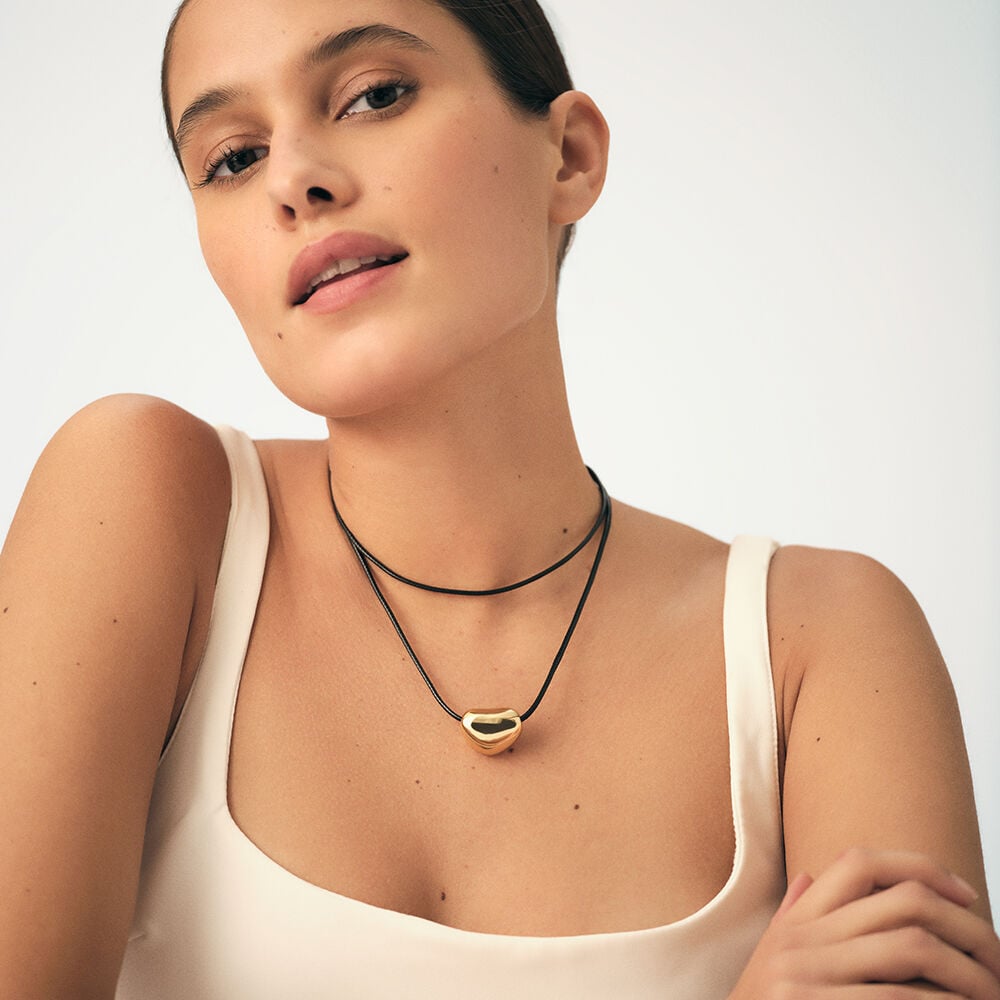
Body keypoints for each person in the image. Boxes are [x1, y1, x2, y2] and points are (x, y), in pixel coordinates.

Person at [1, 0, 997, 996]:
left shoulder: (816, 643)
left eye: (373, 96)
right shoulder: (144, 504)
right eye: (233, 158)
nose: (294, 180)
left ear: (568, 157)